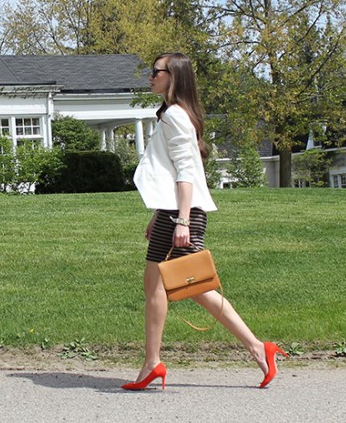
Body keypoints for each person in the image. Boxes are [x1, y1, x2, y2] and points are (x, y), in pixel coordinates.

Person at [121, 52, 287, 391]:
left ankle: (253, 349)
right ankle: (254, 349)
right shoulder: (174, 114)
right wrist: (160, 214)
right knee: (173, 286)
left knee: (179, 286)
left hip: (183, 213)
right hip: (173, 212)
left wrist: (181, 220)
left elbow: (186, 173)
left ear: (174, 76)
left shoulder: (175, 117)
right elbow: (175, 171)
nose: (151, 77)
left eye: (157, 72)